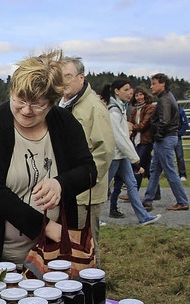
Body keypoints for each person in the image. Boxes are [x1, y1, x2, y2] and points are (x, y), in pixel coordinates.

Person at [0, 50, 97, 266]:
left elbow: (89, 171)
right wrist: (46, 227)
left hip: (51, 256)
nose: (26, 111)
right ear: (12, 90)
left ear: (53, 101)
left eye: (37, 104)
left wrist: (61, 184)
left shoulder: (65, 123)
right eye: (20, 100)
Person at [58, 56, 114, 263]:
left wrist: (83, 180)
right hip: (64, 188)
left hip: (84, 194)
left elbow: (105, 150)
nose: (64, 82)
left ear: (81, 78)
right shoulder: (62, 105)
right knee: (67, 240)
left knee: (86, 243)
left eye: (69, 76)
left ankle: (92, 285)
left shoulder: (93, 108)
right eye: (60, 77)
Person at [102, 80, 161, 225]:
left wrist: (131, 155)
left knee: (132, 183)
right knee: (102, 188)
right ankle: (91, 219)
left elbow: (124, 136)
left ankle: (143, 217)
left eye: (130, 89)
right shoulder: (113, 110)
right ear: (116, 91)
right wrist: (134, 157)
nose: (130, 92)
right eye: (126, 89)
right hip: (115, 155)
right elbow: (118, 137)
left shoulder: (120, 107)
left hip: (121, 155)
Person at [142, 73, 190, 211]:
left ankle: (182, 201)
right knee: (155, 170)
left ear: (162, 84)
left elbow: (164, 121)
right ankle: (148, 198)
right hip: (167, 137)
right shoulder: (168, 97)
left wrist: (158, 135)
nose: (151, 86)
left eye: (154, 83)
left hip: (165, 138)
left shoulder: (164, 100)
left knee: (169, 171)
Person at [175, 105, 189, 181]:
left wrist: (179, 133)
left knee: (180, 156)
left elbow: (185, 123)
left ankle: (182, 174)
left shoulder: (180, 111)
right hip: (168, 135)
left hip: (177, 136)